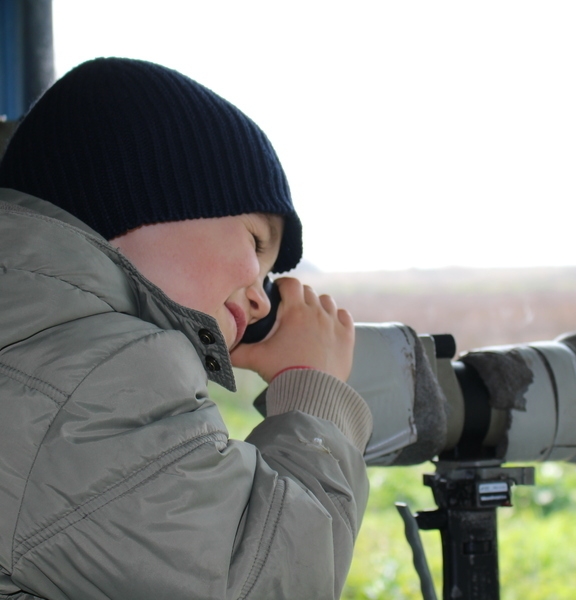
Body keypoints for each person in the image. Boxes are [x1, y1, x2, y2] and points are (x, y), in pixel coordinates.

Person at [0, 57, 372, 599]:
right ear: (145, 191)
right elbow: (259, 581)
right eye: (255, 244)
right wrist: (312, 391)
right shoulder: (87, 378)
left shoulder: (34, 339)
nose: (262, 300)